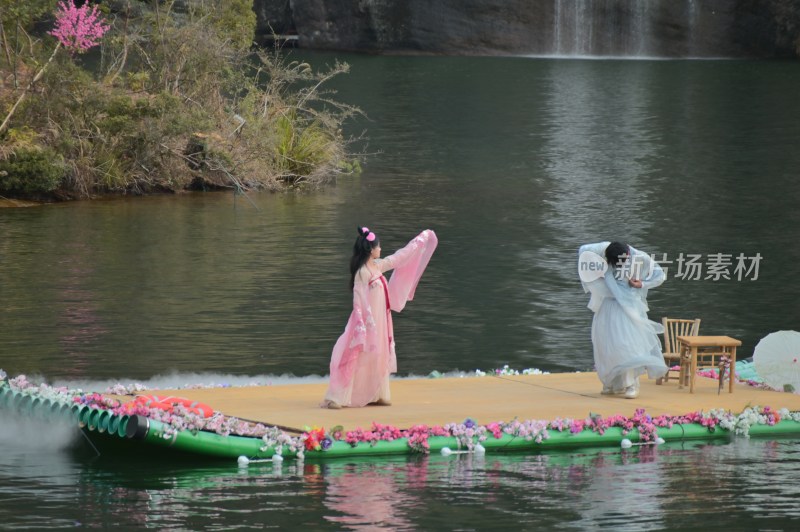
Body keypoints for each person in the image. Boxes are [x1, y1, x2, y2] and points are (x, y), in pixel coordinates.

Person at [322, 226, 438, 409]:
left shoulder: (377, 266)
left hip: (381, 319)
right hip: (366, 320)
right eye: (378, 246)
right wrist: (363, 324)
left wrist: (419, 241)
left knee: (380, 352)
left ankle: (378, 393)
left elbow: (399, 257)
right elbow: (358, 299)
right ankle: (339, 397)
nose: (380, 249)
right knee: (357, 354)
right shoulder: (362, 272)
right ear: (370, 249)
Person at [578, 241, 667, 399]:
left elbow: (660, 275)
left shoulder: (640, 258)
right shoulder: (603, 250)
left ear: (626, 255)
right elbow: (583, 250)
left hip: (627, 308)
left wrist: (642, 284)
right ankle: (611, 383)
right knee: (606, 345)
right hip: (608, 306)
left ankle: (631, 385)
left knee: (626, 346)